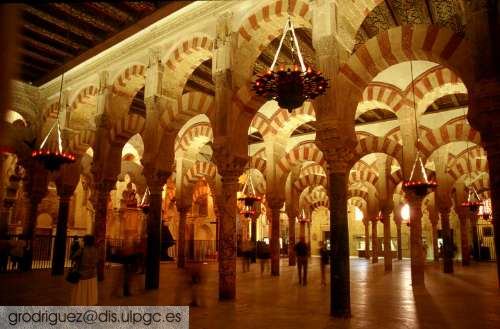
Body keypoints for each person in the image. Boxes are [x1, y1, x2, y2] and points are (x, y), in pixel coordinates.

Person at [70, 235, 98, 306]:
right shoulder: (95, 250)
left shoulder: (82, 250)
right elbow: (97, 261)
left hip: (82, 274)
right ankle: (89, 302)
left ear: (85, 241)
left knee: (81, 292)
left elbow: (73, 257)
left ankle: (81, 303)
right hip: (92, 275)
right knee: (90, 291)